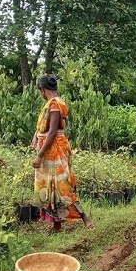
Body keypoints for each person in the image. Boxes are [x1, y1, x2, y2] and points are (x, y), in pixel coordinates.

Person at [31, 74, 94, 232]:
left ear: (43, 90)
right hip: (49, 150)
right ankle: (57, 225)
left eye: (40, 92)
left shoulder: (54, 104)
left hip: (54, 150)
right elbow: (45, 130)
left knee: (62, 186)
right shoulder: (53, 103)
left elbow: (52, 132)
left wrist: (39, 155)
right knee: (49, 188)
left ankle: (85, 218)